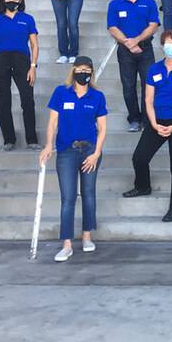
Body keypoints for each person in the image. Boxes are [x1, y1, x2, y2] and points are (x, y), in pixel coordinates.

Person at [38, 57, 108, 262]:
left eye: (88, 70)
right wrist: (48, 145)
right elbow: (52, 122)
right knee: (68, 197)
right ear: (74, 70)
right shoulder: (61, 93)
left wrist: (96, 153)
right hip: (67, 151)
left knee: (88, 193)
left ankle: (87, 236)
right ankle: (66, 243)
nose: (83, 73)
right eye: (80, 69)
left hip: (90, 151)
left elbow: (102, 128)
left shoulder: (97, 96)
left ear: (91, 73)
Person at [122, 30, 172, 223]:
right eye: (167, 43)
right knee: (139, 157)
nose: (170, 46)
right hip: (157, 120)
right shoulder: (154, 69)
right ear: (162, 46)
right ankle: (143, 186)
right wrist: (154, 123)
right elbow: (148, 100)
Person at [0, 0, 39, 151]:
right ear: (3, 0)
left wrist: (33, 66)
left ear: (20, 1)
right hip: (0, 59)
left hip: (22, 60)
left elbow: (35, 45)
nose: (12, 1)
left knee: (28, 99)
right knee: (3, 101)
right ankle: (9, 140)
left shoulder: (27, 19)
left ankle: (32, 140)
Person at [107, 0, 160, 132]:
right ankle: (134, 119)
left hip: (145, 49)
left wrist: (136, 40)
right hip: (124, 51)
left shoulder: (149, 3)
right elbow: (112, 27)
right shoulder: (115, 4)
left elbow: (153, 25)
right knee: (128, 86)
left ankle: (147, 119)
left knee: (149, 85)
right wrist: (128, 43)